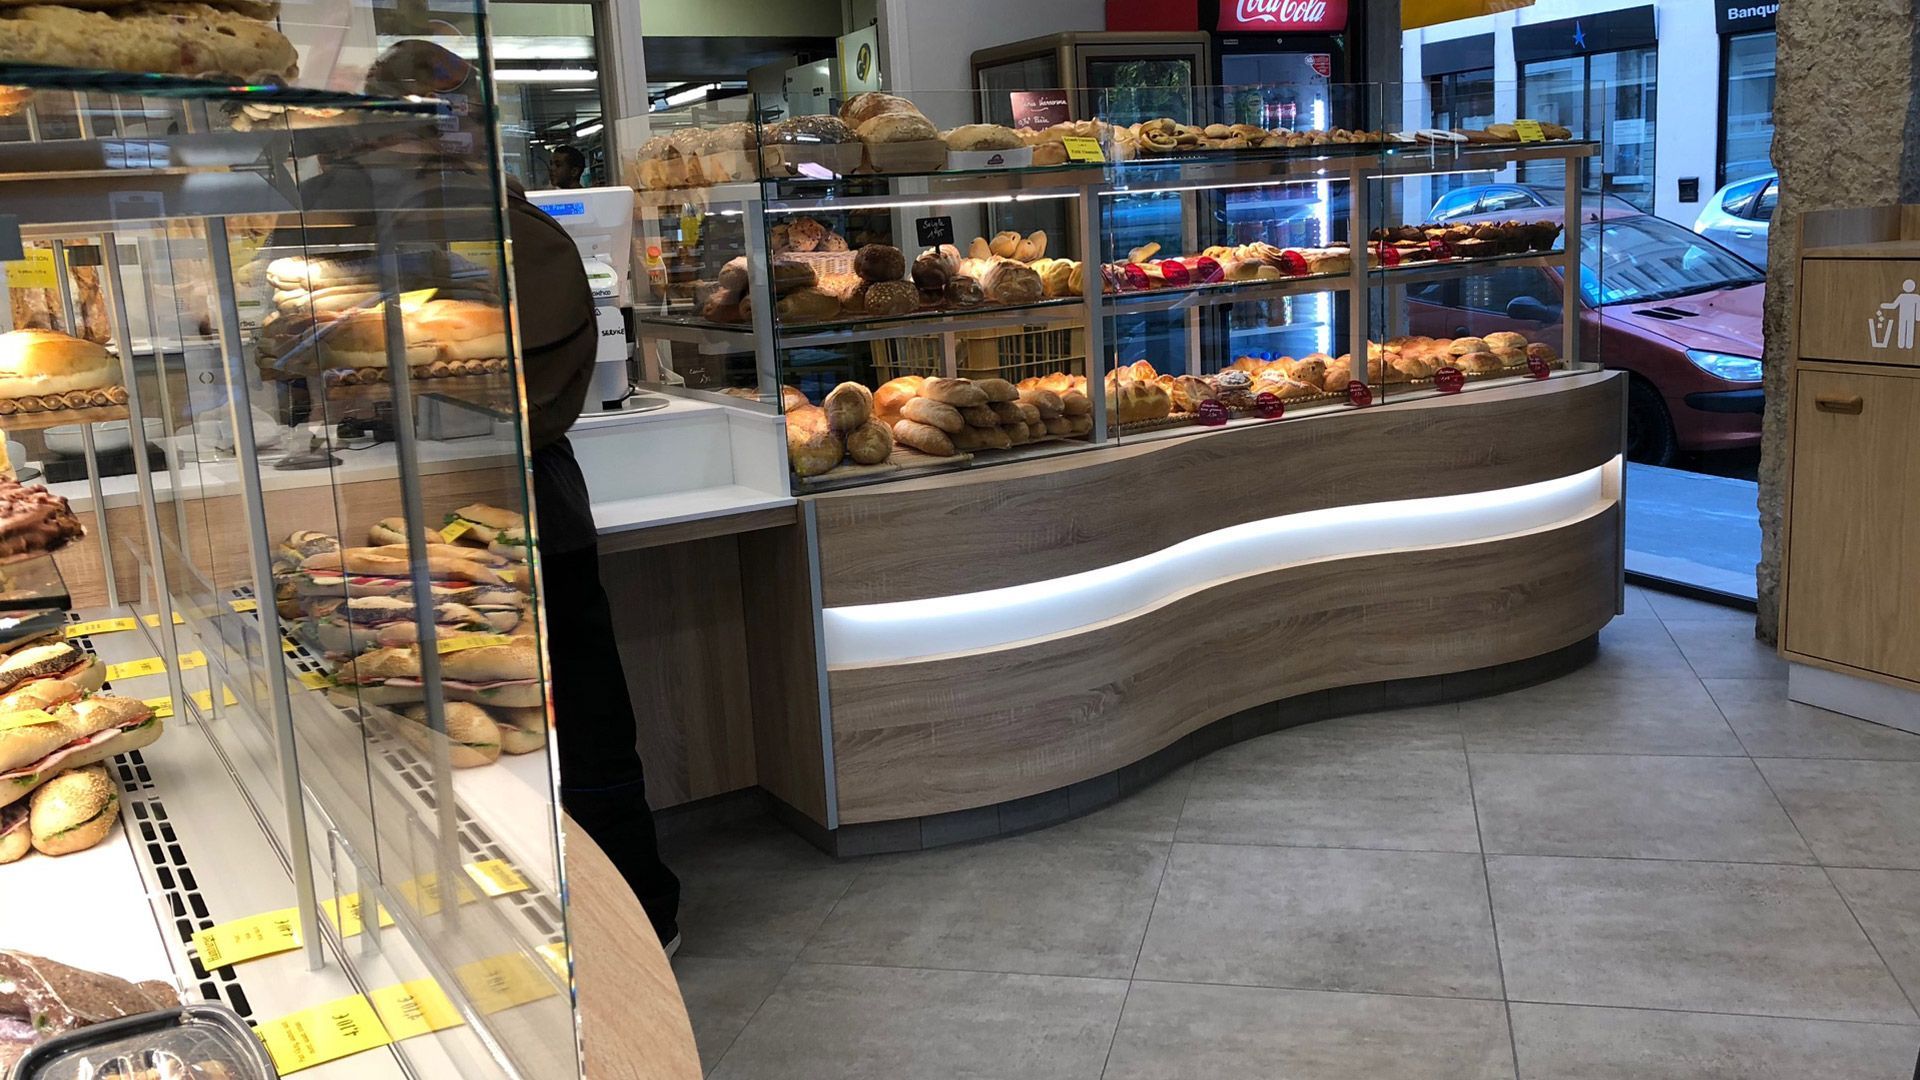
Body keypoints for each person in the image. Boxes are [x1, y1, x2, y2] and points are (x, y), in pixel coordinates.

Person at [360, 40, 682, 952]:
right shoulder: (478, 218)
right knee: (561, 726)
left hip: (505, 509)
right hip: (514, 509)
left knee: (561, 733)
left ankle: (615, 931)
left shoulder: (471, 227)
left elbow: (526, 397)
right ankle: (605, 923)